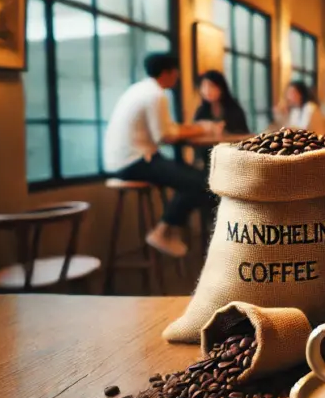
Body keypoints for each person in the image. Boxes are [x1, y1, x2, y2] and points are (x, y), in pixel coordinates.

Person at [103, 53, 208, 258]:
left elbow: (167, 129)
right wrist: (199, 130)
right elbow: (165, 135)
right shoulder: (156, 95)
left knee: (194, 178)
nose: (177, 76)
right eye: (176, 71)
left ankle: (171, 230)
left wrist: (194, 129)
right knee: (201, 182)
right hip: (135, 161)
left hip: (123, 160)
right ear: (168, 72)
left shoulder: (140, 89)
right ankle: (163, 232)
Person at [192, 70, 250, 164]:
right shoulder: (201, 111)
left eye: (211, 86)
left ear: (221, 87)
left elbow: (243, 134)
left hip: (232, 157)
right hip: (208, 158)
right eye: (204, 86)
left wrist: (224, 131)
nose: (207, 90)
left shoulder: (234, 109)